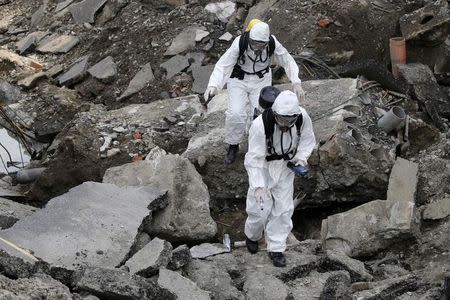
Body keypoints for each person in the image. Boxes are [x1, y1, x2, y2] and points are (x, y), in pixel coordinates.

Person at [204, 19, 305, 165]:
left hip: (261, 79)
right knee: (235, 113)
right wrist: (213, 85)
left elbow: (287, 60)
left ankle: (256, 144)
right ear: (250, 38)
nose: (257, 47)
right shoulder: (240, 43)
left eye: (261, 44)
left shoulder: (272, 44)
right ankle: (233, 145)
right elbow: (224, 65)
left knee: (260, 114)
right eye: (255, 43)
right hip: (238, 80)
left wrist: (296, 82)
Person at [244, 89, 316, 267]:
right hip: (265, 168)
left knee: (283, 209)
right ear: (275, 113)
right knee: (259, 209)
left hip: (285, 167)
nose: (285, 124)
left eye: (289, 120)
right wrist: (258, 185)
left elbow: (308, 140)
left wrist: (301, 158)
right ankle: (252, 236)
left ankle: (276, 248)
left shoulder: (302, 117)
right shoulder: (260, 125)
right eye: (282, 119)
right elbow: (254, 159)